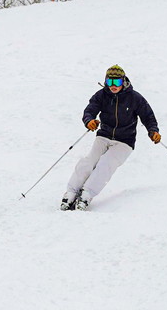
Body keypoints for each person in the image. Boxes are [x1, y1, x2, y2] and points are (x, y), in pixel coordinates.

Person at [61, 65, 160, 211]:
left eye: (117, 83)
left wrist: (153, 131)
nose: (113, 86)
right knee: (89, 162)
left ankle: (87, 194)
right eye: (110, 82)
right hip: (104, 136)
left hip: (124, 142)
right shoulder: (101, 95)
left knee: (105, 164)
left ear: (123, 81)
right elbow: (90, 110)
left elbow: (148, 116)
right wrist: (89, 121)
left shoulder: (135, 98)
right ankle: (71, 192)